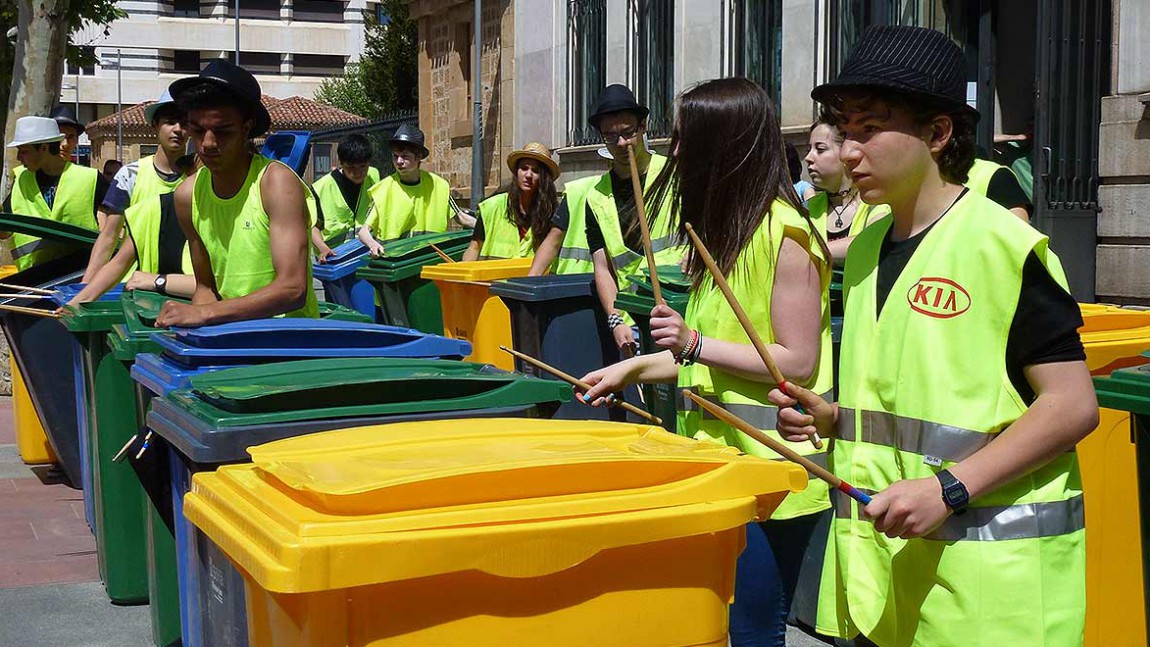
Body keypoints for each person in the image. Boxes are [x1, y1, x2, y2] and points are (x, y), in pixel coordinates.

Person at [771, 26, 1095, 647]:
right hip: (887, 579)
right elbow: (915, 400)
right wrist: (835, 418)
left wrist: (950, 487)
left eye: (870, 129)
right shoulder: (865, 250)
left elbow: (1071, 404)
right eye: (846, 131)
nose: (850, 151)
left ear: (938, 133)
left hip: (992, 592)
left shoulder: (999, 244)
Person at [578, 78, 833, 647]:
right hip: (721, 465)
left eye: (690, 138)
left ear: (729, 145)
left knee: (750, 630)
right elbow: (708, 364)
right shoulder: (724, 235)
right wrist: (632, 369)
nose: (678, 152)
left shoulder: (783, 234)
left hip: (775, 474)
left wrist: (691, 342)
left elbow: (796, 361)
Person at [155, 58, 318, 327]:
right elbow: (205, 288)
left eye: (222, 132)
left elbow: (292, 289)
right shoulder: (187, 196)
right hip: (230, 339)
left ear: (246, 129)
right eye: (198, 131)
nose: (207, 143)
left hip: (288, 344)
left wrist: (205, 314)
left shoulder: (276, 183)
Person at [531, 85, 685, 353]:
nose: (622, 143)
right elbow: (602, 267)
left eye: (628, 133)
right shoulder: (597, 196)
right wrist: (615, 320)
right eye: (611, 136)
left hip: (681, 309)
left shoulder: (675, 174)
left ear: (643, 127)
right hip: (633, 320)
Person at [84, 89, 189, 283]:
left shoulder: (200, 177)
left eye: (184, 123)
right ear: (155, 126)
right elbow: (109, 237)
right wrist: (85, 285)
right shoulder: (130, 176)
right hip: (135, 287)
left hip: (185, 286)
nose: (177, 129)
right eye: (170, 121)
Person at [66, 156, 200, 306]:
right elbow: (117, 261)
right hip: (146, 314)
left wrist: (158, 281)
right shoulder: (154, 209)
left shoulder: (227, 214)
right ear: (189, 170)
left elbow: (223, 288)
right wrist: (76, 302)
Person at [2, 116, 108, 270]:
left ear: (44, 148)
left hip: (80, 278)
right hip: (33, 280)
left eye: (24, 151)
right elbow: (5, 232)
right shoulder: (20, 179)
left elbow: (120, 222)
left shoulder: (90, 178)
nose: (19, 157)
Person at [357, 124, 471, 255]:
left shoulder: (438, 185)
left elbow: (462, 218)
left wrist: (488, 226)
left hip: (430, 259)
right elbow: (363, 231)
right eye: (395, 156)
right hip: (393, 262)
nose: (399, 161)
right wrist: (373, 244)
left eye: (405, 156)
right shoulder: (383, 190)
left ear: (418, 157)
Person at [805, 116, 890, 264]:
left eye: (820, 149)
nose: (808, 157)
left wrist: (805, 250)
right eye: (809, 149)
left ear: (845, 152)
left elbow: (871, 241)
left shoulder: (875, 203)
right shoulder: (807, 207)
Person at [462, 142, 559, 261]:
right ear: (516, 172)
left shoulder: (551, 213)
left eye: (535, 171)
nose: (528, 175)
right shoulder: (492, 207)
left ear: (544, 178)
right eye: (524, 168)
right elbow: (474, 247)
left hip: (529, 279)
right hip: (492, 278)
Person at [310, 134, 380, 261]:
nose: (357, 172)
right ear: (341, 163)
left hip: (366, 253)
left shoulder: (374, 176)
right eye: (351, 167)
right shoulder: (320, 188)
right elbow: (312, 226)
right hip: (334, 257)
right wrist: (323, 248)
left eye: (363, 166)